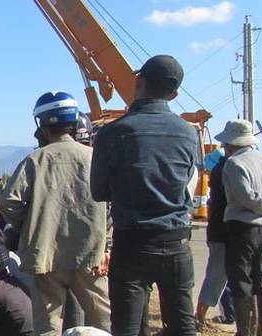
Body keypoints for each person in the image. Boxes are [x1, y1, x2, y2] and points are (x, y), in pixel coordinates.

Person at [90, 54, 199, 336]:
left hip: (131, 244)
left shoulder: (112, 133)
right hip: (177, 242)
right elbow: (186, 180)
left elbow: (99, 191)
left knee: (126, 327)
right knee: (182, 325)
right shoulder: (188, 133)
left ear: (138, 81)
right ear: (173, 94)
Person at [0, 90, 111, 335]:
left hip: (46, 256)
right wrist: (106, 245)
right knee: (104, 322)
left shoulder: (35, 160)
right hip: (90, 254)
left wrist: (30, 224)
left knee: (48, 326)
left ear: (44, 126)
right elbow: (112, 204)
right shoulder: (95, 157)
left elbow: (9, 202)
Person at [215, 119, 262, 336]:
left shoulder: (235, 164)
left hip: (241, 227)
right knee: (258, 276)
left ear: (232, 144)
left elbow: (246, 197)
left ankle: (245, 331)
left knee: (240, 278)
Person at [195, 150, 230, 327]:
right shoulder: (223, 171)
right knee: (218, 275)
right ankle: (200, 315)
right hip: (223, 231)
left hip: (225, 231)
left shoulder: (223, 169)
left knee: (256, 274)